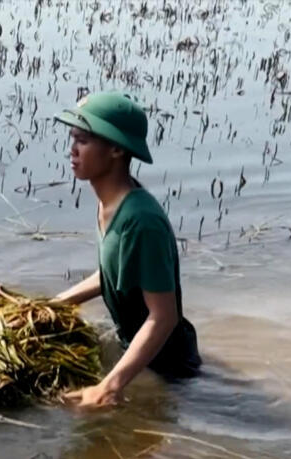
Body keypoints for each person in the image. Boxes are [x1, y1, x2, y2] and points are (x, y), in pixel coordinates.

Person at [52, 91, 201, 408]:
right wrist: (52, 305)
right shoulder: (110, 202)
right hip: (139, 352)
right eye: (72, 137)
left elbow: (164, 317)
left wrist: (110, 386)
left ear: (117, 149)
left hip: (169, 369)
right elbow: (112, 272)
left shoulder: (141, 222)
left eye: (84, 140)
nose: (72, 150)